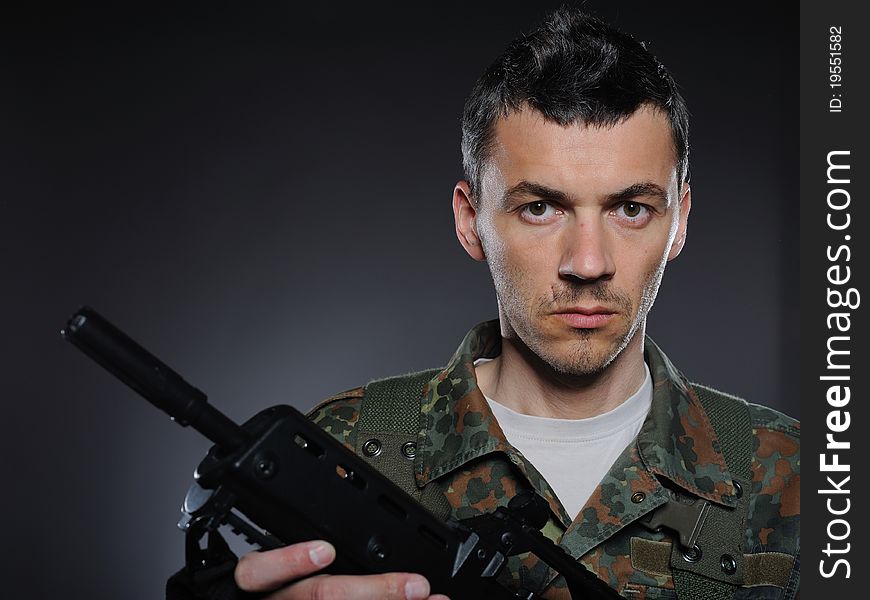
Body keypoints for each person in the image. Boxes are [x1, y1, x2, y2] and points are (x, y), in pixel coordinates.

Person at [221, 7, 799, 600]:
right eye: (540, 208)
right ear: (470, 222)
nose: (587, 263)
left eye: (632, 209)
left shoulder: (801, 478)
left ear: (679, 224)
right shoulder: (343, 454)